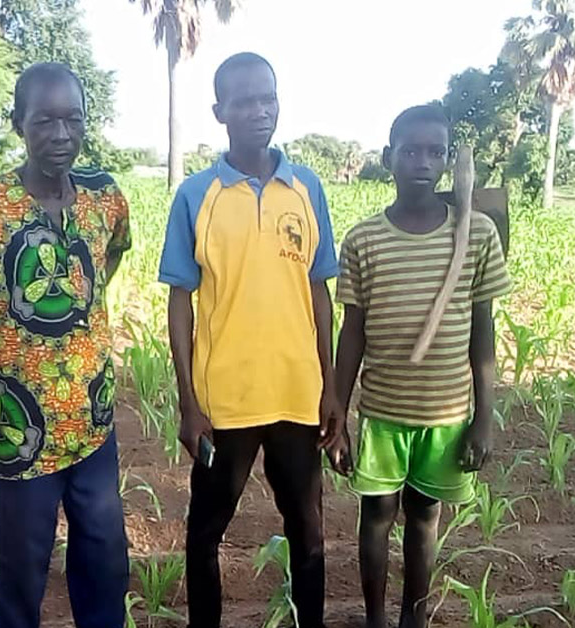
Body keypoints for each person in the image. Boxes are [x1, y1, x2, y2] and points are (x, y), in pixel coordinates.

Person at [0, 62, 131, 628]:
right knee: (24, 569)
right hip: (21, 426)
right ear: (18, 125)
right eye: (44, 121)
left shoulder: (104, 197)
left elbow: (105, 262)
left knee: (104, 560)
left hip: (92, 413)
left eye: (73, 120)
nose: (61, 135)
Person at [158, 52, 341, 628]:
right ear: (220, 112)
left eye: (268, 97)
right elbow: (181, 301)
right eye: (244, 101)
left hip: (296, 394)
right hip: (226, 402)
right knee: (205, 532)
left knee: (308, 533)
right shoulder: (196, 196)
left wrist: (332, 390)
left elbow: (319, 293)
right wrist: (190, 403)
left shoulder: (306, 188)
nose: (260, 111)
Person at [333, 104, 512, 628]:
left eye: (436, 152)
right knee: (376, 515)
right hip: (385, 411)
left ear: (449, 162)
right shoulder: (364, 238)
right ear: (389, 158)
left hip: (447, 411)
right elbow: (353, 333)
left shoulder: (475, 234)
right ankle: (374, 620)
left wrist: (484, 417)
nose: (423, 162)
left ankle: (414, 617)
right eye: (410, 150)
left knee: (425, 515)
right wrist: (339, 414)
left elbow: (484, 335)